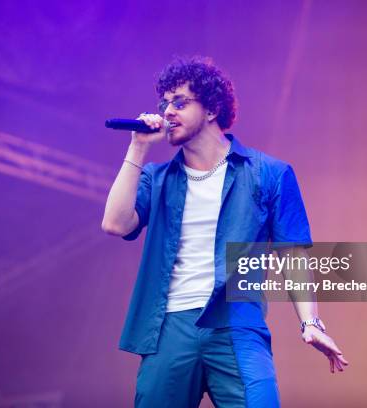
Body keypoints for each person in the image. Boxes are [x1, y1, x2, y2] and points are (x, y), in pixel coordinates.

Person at [102, 56, 348, 408]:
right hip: (169, 327)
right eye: (164, 104)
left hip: (237, 323)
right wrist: (138, 146)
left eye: (180, 102)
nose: (168, 112)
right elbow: (115, 223)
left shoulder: (269, 173)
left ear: (212, 108)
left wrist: (311, 322)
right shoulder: (156, 178)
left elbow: (291, 254)